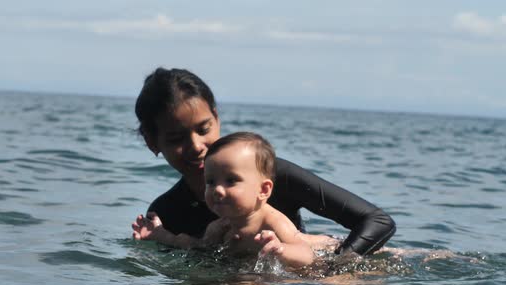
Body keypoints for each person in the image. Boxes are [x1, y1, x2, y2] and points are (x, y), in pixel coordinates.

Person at [131, 67, 396, 256]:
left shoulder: (273, 174)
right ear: (152, 142)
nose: (196, 146)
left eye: (203, 128)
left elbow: (376, 222)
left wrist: (335, 271)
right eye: (177, 138)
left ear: (217, 118)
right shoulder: (167, 214)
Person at [134, 132, 317, 268]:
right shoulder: (218, 226)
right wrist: (160, 235)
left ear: (263, 189)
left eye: (231, 181)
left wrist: (281, 249)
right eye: (211, 182)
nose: (217, 190)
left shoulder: (272, 222)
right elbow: (194, 246)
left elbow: (307, 255)